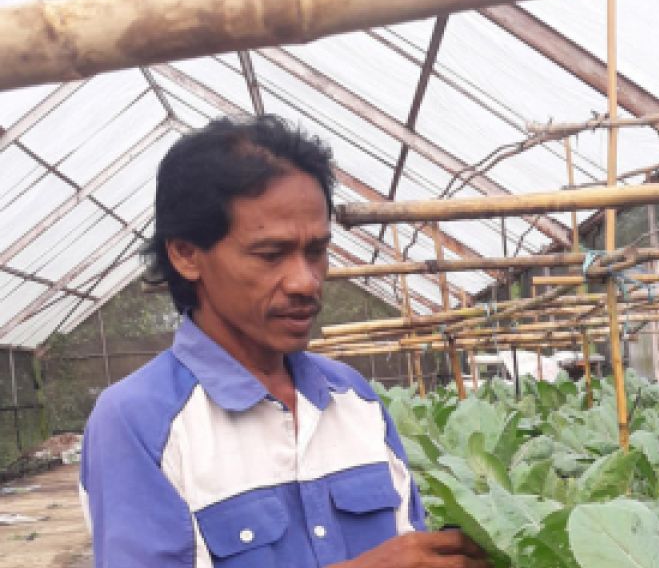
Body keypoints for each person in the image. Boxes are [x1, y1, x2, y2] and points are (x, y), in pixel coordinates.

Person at [80, 116, 489, 567]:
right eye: (271, 255)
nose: (305, 281)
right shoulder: (138, 421)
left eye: (316, 251)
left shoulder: (353, 399)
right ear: (187, 255)